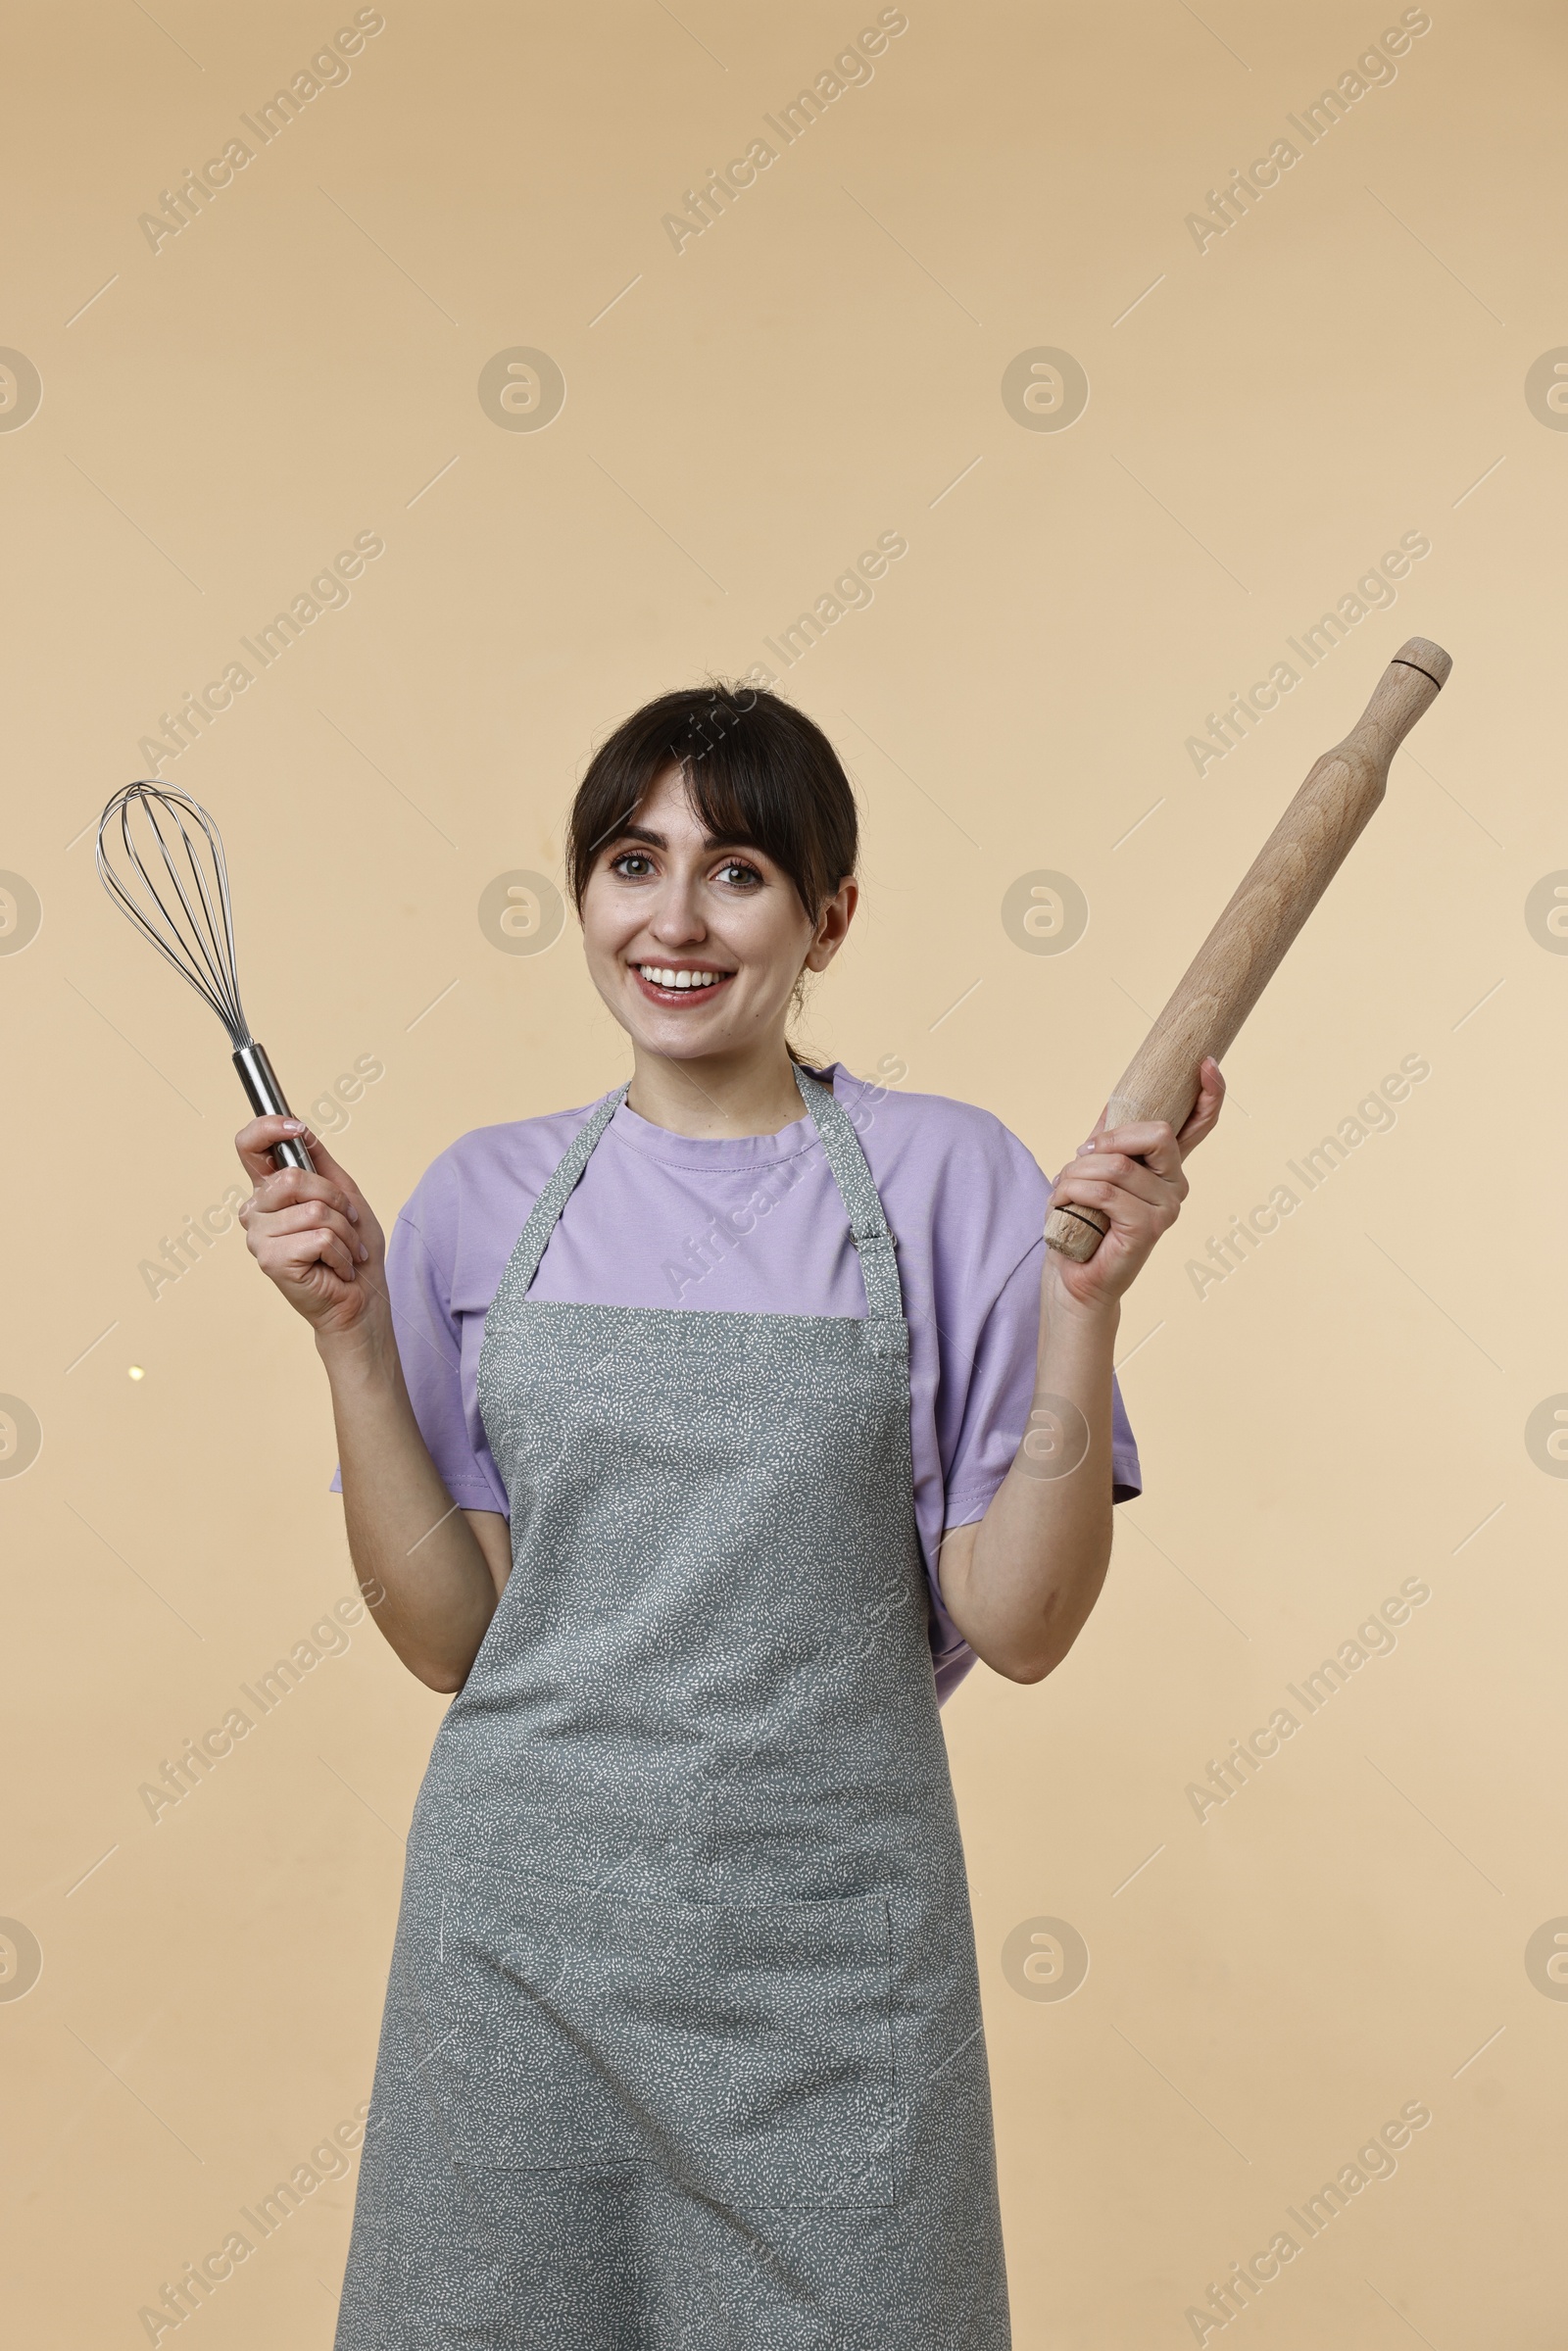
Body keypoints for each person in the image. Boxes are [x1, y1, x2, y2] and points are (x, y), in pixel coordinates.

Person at [234, 683, 1223, 2349]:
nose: (675, 921)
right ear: (585, 897)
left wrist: (1089, 1311)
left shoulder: (952, 1181)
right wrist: (348, 1337)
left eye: (740, 871)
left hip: (834, 1962)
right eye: (633, 863)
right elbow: (450, 1641)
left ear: (829, 915)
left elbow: (1024, 1625)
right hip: (518, 1952)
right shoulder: (484, 1199)